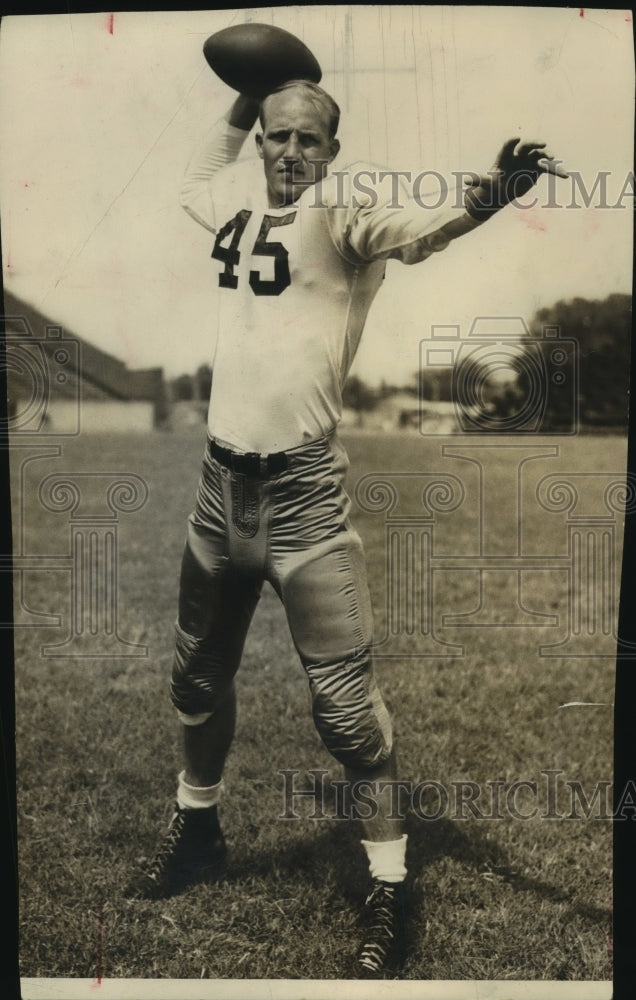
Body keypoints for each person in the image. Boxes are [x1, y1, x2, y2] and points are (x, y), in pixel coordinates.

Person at [129, 78, 565, 978]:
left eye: (310, 141)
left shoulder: (342, 209)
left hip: (303, 498)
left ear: (333, 151)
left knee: (348, 713)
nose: (292, 153)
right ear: (261, 142)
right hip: (219, 491)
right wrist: (242, 99)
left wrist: (489, 197)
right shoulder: (237, 200)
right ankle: (198, 831)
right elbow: (191, 177)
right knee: (196, 679)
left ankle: (390, 885)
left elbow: (420, 234)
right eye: (278, 136)